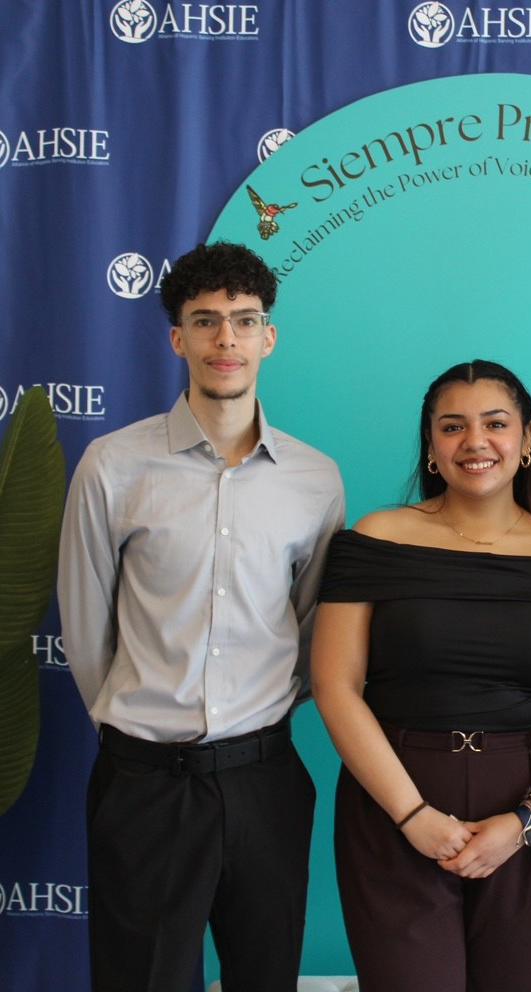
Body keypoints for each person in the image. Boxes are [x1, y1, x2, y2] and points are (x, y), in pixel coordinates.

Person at [57, 241, 344, 992]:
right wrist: (139, 734)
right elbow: (86, 628)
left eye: (245, 322)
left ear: (268, 337)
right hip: (145, 782)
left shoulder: (315, 479)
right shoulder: (113, 465)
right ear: (177, 337)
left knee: (265, 975)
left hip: (265, 778)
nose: (227, 340)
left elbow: (313, 623)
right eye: (206, 321)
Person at [311, 360, 531, 992]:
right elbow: (335, 686)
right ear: (431, 445)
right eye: (452, 427)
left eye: (495, 424)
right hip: (395, 802)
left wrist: (528, 821)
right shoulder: (376, 539)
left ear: (527, 439)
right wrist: (412, 816)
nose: (475, 442)